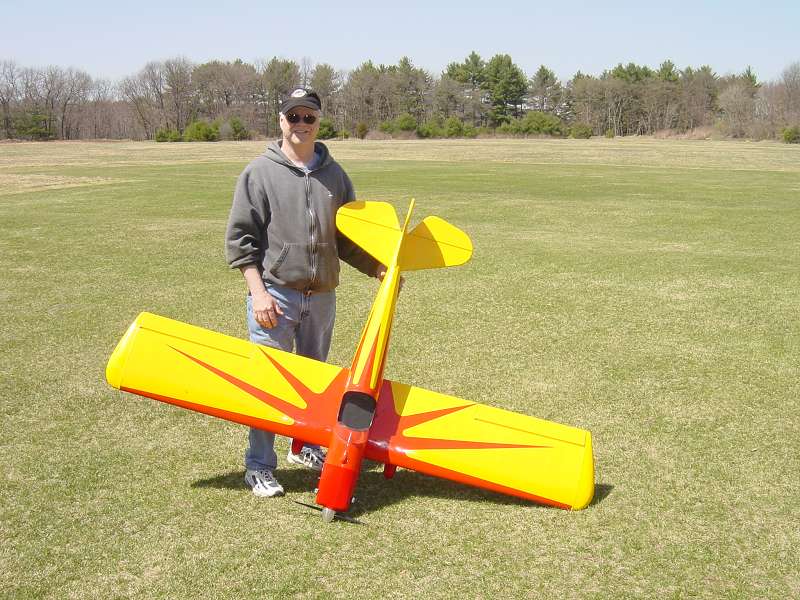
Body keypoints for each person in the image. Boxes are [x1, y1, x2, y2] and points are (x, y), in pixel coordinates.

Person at [224, 88, 381, 497]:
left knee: (315, 383)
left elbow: (347, 238)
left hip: (322, 296)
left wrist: (378, 267)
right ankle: (259, 465)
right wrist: (259, 293)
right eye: (293, 116)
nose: (301, 124)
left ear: (318, 122)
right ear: (281, 120)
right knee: (268, 383)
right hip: (276, 295)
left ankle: (306, 445)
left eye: (308, 117)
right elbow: (241, 241)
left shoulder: (335, 175)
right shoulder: (259, 172)